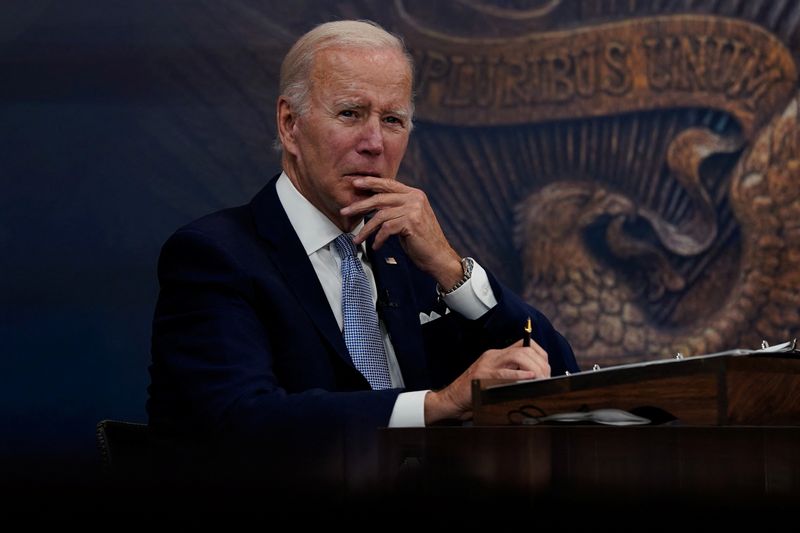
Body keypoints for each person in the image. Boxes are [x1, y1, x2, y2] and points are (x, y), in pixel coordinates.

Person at [146, 19, 578, 497]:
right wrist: (436, 405)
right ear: (290, 125)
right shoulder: (215, 256)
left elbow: (561, 382)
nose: (374, 142)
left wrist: (452, 272)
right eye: (351, 113)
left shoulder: (412, 256)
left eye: (393, 120)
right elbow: (240, 424)